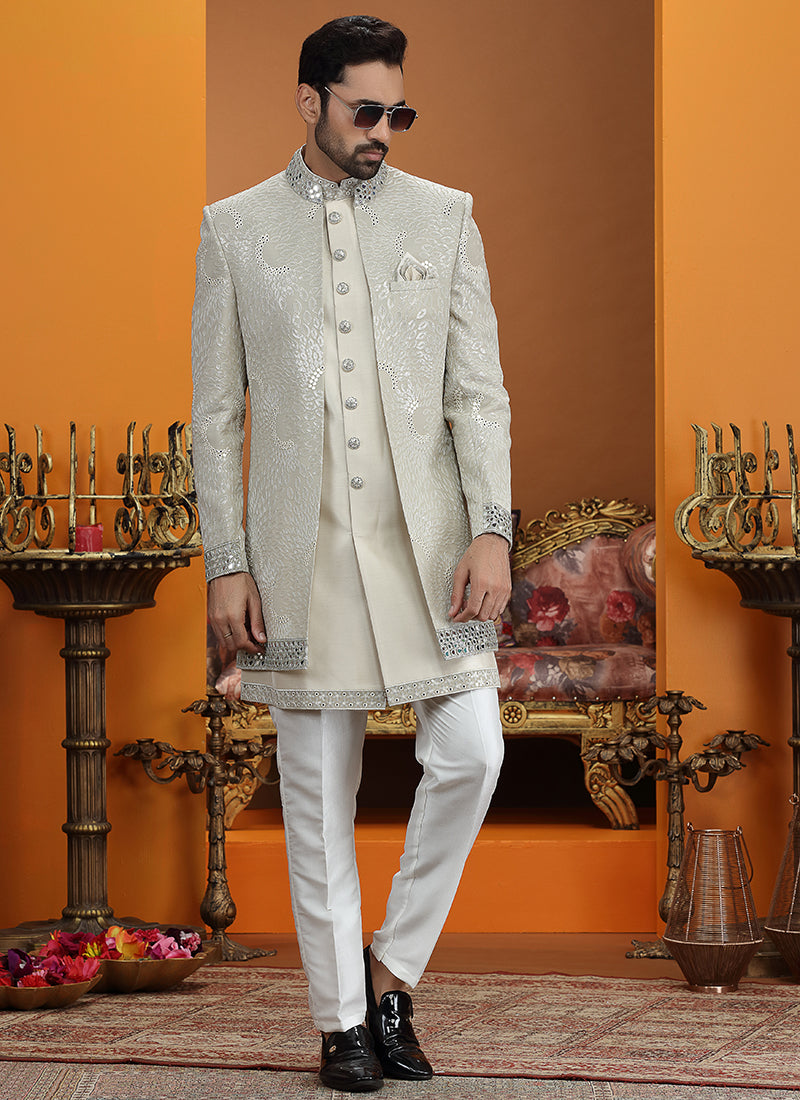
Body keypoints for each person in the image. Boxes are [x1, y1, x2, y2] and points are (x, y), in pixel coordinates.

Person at [191, 15, 512, 1092]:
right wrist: (226, 560)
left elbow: (478, 393)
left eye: (396, 112)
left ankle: (389, 973)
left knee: (473, 753)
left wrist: (492, 528)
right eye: (364, 110)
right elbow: (214, 419)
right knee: (318, 796)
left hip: (429, 553)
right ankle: (340, 1023)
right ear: (309, 102)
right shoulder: (234, 229)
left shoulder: (445, 216)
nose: (382, 129)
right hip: (300, 557)